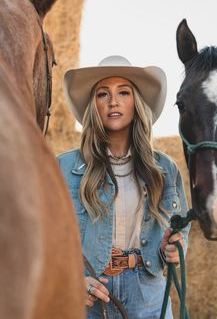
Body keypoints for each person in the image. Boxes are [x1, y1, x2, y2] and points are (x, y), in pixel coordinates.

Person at [57, 55, 190, 319]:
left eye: (124, 92)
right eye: (103, 94)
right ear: (93, 105)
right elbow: (42, 237)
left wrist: (175, 248)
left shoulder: (165, 168)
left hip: (148, 292)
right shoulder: (63, 166)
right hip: (90, 293)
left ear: (136, 103)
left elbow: (181, 224)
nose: (113, 101)